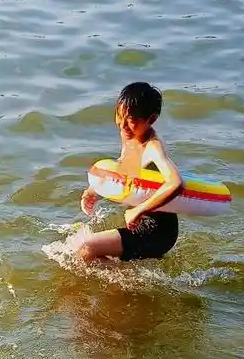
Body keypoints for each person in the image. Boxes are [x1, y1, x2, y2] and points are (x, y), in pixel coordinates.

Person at [74, 82, 183, 262]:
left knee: (87, 247)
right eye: (119, 115)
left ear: (152, 119)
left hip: (157, 231)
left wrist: (139, 210)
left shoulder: (153, 147)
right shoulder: (131, 133)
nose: (122, 125)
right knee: (84, 250)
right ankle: (125, 287)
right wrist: (94, 189)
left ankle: (123, 287)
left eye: (131, 119)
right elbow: (126, 168)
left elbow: (176, 183)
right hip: (142, 222)